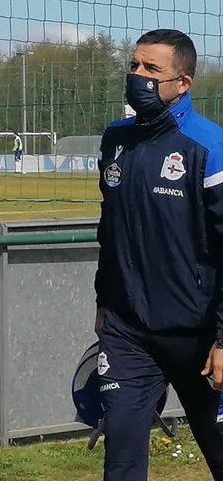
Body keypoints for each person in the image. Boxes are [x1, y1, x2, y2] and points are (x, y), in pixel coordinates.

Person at [94, 29, 223, 480]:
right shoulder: (115, 140)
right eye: (134, 66)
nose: (138, 76)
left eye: (152, 69)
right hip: (127, 335)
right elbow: (109, 231)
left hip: (199, 337)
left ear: (182, 83)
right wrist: (104, 303)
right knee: (122, 461)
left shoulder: (210, 146)